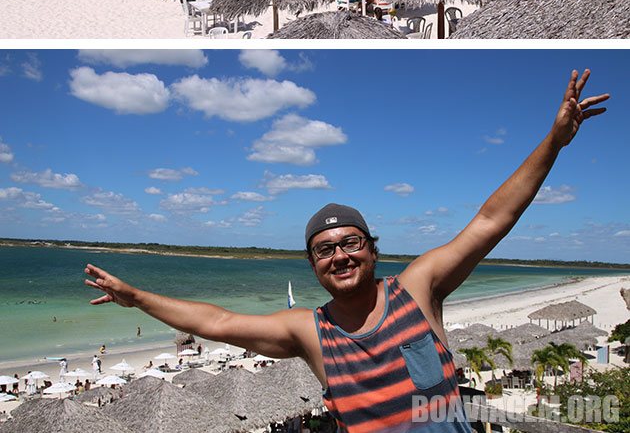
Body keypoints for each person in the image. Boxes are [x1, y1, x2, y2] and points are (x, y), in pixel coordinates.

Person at [84, 70, 608, 433]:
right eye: (324, 250)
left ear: (373, 250)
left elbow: (493, 219)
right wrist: (137, 297)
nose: (339, 256)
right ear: (313, 266)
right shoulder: (309, 332)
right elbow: (217, 322)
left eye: (350, 243)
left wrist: (554, 142)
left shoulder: (419, 287)